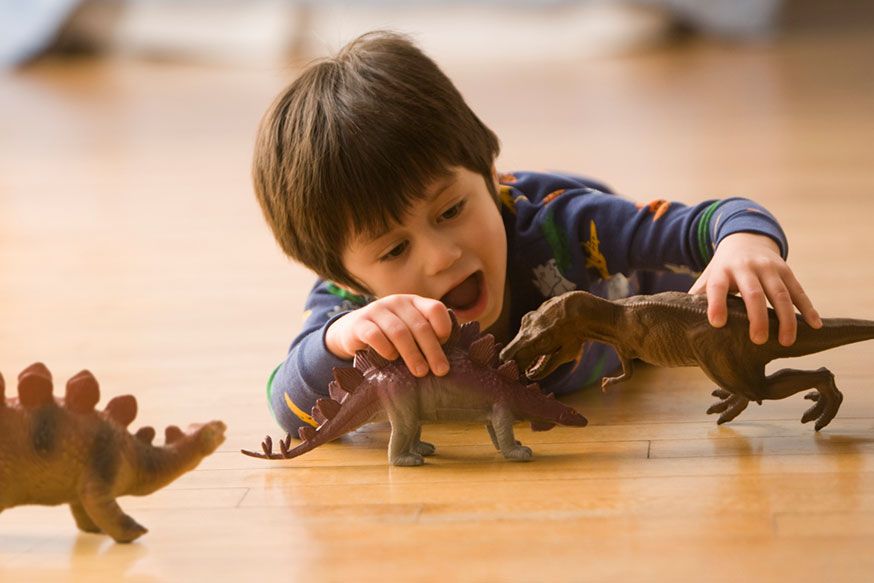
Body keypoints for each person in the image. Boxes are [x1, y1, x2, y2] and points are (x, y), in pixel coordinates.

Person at [251, 31, 821, 435]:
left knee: (649, 241)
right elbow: (288, 407)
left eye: (451, 210)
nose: (441, 254)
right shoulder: (357, 314)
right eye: (395, 249)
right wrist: (337, 342)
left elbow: (713, 218)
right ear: (345, 275)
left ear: (491, 176)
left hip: (619, 274)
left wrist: (745, 243)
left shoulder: (570, 231)